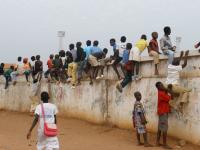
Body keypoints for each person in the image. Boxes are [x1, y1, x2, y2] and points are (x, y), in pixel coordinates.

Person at [155, 82, 172, 149]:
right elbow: (170, 98)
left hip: (162, 112)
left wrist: (167, 89)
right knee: (164, 128)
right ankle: (164, 144)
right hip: (163, 112)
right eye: (160, 86)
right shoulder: (161, 93)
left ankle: (157, 142)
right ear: (158, 88)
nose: (162, 86)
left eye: (162, 85)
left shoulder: (162, 92)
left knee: (160, 128)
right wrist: (169, 90)